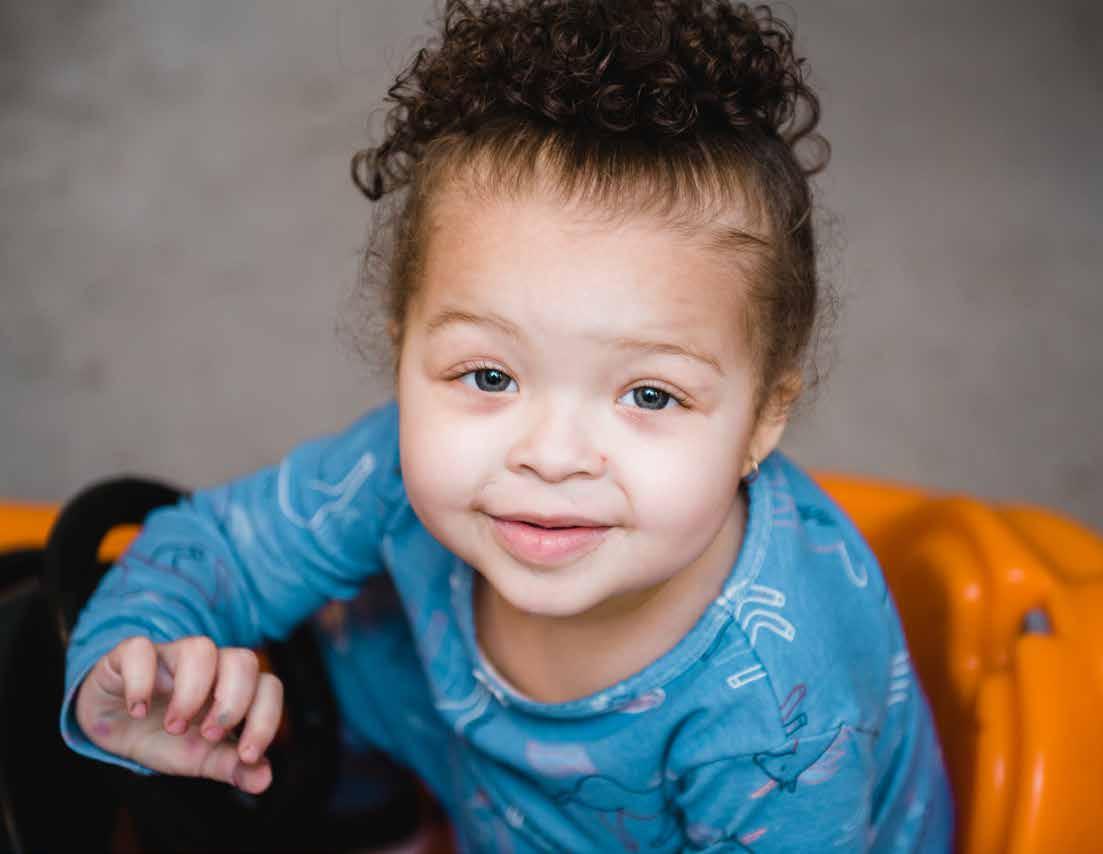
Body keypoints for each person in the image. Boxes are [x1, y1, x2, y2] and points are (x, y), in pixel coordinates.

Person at [59, 0, 954, 849]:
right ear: (405, 350)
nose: (550, 457)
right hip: (442, 746)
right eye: (489, 376)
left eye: (649, 395)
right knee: (340, 651)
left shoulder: (778, 725)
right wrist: (137, 666)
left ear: (762, 420)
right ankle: (379, 822)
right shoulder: (395, 472)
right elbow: (218, 544)